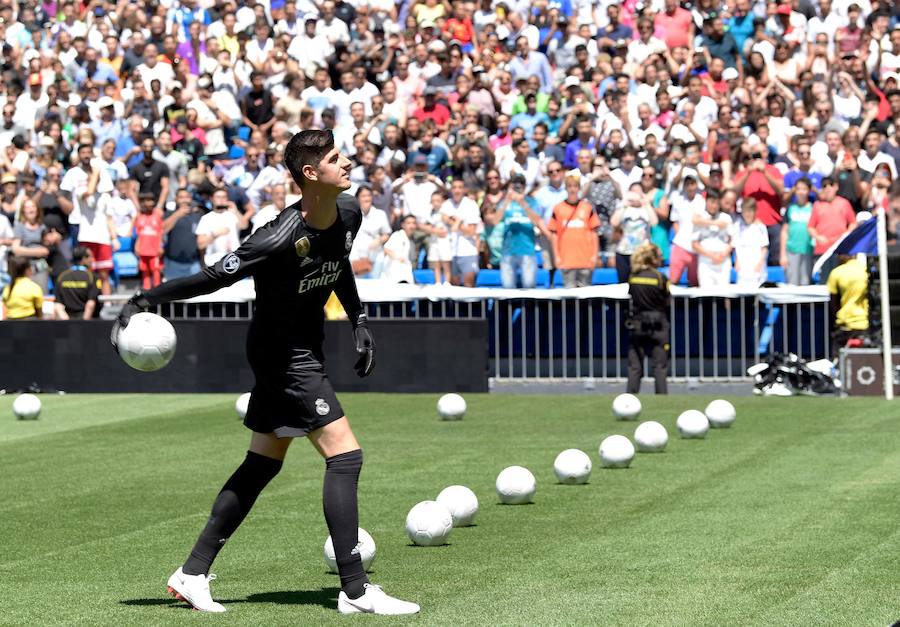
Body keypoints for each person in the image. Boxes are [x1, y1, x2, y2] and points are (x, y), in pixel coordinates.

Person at [110, 130, 419, 615]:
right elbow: (213, 277)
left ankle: (191, 573)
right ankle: (356, 592)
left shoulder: (350, 212)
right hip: (283, 358)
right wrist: (147, 298)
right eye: (336, 158)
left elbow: (337, 264)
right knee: (346, 457)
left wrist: (358, 318)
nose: (348, 162)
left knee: (262, 464)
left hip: (303, 350)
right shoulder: (275, 237)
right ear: (311, 174)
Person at [625, 242, 669, 395]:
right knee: (659, 366)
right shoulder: (660, 277)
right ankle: (662, 398)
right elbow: (667, 300)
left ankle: (630, 398)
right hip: (658, 325)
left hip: (637, 324)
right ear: (653, 259)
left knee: (635, 365)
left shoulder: (633, 276)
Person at [548, 174, 600, 288]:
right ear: (566, 188)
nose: (572, 189)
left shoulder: (587, 207)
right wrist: (557, 256)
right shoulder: (558, 208)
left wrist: (594, 255)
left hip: (585, 259)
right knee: (569, 297)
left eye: (575, 186)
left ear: (579, 188)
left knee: (585, 297)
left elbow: (594, 233)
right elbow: (554, 235)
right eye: (569, 186)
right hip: (567, 260)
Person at [610, 189, 658, 283]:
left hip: (641, 252)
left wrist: (646, 204)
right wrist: (624, 205)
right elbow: (614, 222)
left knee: (640, 281)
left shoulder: (645, 210)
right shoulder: (623, 209)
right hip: (623, 252)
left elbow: (654, 222)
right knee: (623, 282)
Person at [827, 254, 869, 357]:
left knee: (839, 362)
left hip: (844, 325)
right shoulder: (865, 270)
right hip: (864, 323)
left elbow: (833, 302)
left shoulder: (836, 272)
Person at [691, 189, 733, 287]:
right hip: (706, 262)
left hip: (723, 261)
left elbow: (733, 240)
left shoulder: (726, 218)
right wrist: (712, 256)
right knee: (707, 295)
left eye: (717, 203)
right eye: (712, 202)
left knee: (723, 294)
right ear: (706, 201)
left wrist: (723, 254)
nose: (714, 206)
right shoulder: (699, 218)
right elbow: (694, 244)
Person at [780, 177, 815, 285]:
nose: (801, 192)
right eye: (798, 189)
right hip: (791, 251)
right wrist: (783, 254)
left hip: (808, 251)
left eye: (804, 189)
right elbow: (784, 232)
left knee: (806, 283)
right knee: (792, 283)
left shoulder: (814, 208)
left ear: (809, 191)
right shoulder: (790, 208)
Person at [729, 199, 769, 287]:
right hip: (743, 265)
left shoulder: (760, 227)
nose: (747, 214)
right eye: (745, 211)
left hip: (757, 265)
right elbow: (735, 246)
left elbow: (764, 247)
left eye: (750, 211)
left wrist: (760, 263)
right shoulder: (737, 226)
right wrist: (736, 261)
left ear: (755, 211)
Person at [54, 246, 100, 320]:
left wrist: (68, 324)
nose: (92, 260)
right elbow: (90, 304)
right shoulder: (92, 277)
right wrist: (83, 324)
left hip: (67, 322)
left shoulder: (62, 276)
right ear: (84, 259)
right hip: (87, 321)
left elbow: (58, 305)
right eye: (90, 257)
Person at [134, 193, 165, 289]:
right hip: (143, 250)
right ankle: (146, 292)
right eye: (147, 201)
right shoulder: (140, 217)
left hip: (154, 250)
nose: (149, 203)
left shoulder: (158, 216)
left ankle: (157, 292)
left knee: (155, 271)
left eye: (151, 200)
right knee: (144, 272)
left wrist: (161, 246)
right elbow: (139, 234)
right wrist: (137, 246)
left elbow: (162, 232)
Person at [381, 214, 417, 284]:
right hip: (395, 273)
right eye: (409, 223)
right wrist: (397, 257)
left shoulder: (412, 239)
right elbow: (386, 249)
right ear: (403, 225)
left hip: (406, 272)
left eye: (414, 223)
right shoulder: (397, 235)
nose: (411, 226)